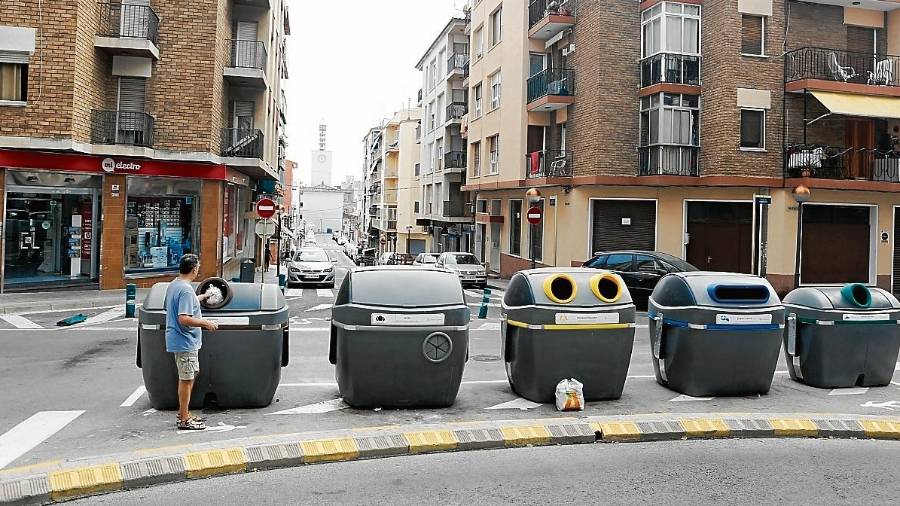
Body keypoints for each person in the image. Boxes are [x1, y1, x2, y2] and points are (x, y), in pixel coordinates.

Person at [165, 254, 218, 430]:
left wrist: (203, 296)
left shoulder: (175, 285)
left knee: (190, 375)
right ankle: (184, 418)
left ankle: (184, 413)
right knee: (186, 379)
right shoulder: (186, 290)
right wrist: (206, 323)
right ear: (194, 269)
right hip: (185, 340)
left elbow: (185, 303)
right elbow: (184, 318)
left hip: (180, 340)